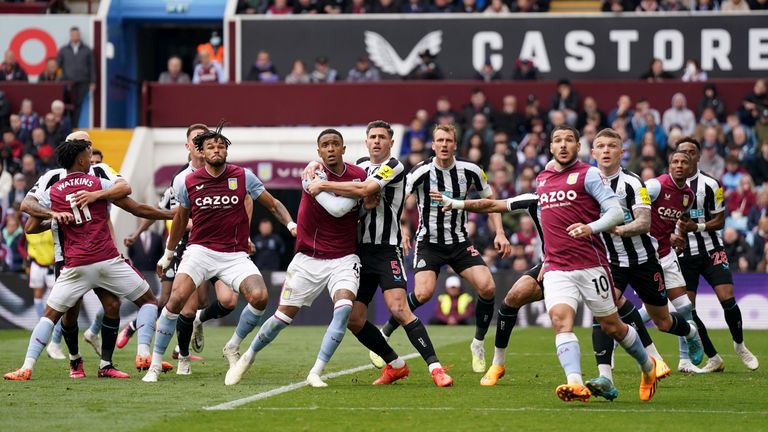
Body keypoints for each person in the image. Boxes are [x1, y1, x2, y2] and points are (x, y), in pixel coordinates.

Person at [303, 121, 452, 387]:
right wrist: (314, 166)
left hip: (386, 250)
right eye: (372, 137)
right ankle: (395, 365)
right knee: (354, 319)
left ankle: (436, 368)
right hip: (358, 250)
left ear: (391, 142)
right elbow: (338, 173)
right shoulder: (360, 165)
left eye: (382, 137)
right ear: (366, 141)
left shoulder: (394, 166)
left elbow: (364, 190)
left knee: (399, 308)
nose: (377, 141)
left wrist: (323, 186)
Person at [143, 124, 296, 383]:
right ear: (201, 152)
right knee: (176, 301)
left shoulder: (243, 176)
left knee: (259, 297)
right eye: (211, 146)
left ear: (227, 150)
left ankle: (233, 345)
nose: (217, 149)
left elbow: (272, 203)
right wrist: (168, 254)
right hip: (199, 251)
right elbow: (180, 219)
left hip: (234, 254)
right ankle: (155, 365)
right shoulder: (185, 180)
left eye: (221, 145)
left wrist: (290, 224)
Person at [3, 139, 160, 381]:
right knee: (149, 301)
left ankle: (26, 367)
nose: (93, 159)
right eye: (89, 155)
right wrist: (98, 194)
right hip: (106, 260)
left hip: (74, 264)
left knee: (49, 315)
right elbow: (127, 192)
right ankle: (142, 353)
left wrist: (53, 213)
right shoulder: (96, 180)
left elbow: (29, 216)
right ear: (80, 159)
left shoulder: (54, 189)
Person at [225, 129, 365, 388]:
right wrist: (353, 191)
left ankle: (315, 371)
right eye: (326, 145)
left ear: (344, 149)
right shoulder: (310, 174)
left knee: (344, 308)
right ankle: (249, 354)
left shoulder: (358, 175)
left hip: (344, 257)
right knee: (281, 318)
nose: (331, 148)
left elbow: (363, 192)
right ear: (319, 151)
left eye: (336, 144)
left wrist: (355, 188)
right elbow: (337, 209)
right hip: (308, 259)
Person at [533, 125, 657, 402]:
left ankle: (648, 367)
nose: (563, 145)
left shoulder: (588, 174)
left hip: (591, 264)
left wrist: (591, 227)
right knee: (560, 321)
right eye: (557, 141)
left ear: (578, 146)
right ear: (551, 147)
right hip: (556, 267)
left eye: (568, 140)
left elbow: (614, 212)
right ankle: (575, 383)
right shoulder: (542, 179)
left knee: (612, 325)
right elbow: (546, 225)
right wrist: (545, 257)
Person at [379, 124, 511, 375]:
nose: (444, 144)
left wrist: (500, 233)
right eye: (439, 140)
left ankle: (478, 343)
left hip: (460, 243)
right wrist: (404, 229)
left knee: (488, 287)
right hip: (429, 243)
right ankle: (386, 331)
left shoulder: (471, 171)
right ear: (433, 144)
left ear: (455, 145)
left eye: (448, 140)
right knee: (424, 293)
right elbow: (398, 202)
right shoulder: (420, 172)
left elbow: (491, 203)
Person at [587, 137, 702, 398]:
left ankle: (690, 331)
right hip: (611, 262)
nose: (606, 151)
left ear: (621, 152)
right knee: (604, 313)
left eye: (612, 146)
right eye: (601, 146)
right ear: (593, 152)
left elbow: (644, 223)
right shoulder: (587, 182)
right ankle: (606, 378)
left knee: (662, 321)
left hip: (643, 260)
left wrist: (616, 228)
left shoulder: (633, 183)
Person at [671, 138, 760, 373]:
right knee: (687, 310)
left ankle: (739, 345)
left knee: (728, 299)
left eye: (691, 153)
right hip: (683, 255)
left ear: (698, 157)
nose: (686, 157)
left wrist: (697, 228)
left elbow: (720, 220)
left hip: (711, 249)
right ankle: (713, 357)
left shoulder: (710, 184)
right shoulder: (665, 186)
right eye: (681, 153)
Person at [57, 27, 96, 127]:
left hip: (82, 81)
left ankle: (75, 126)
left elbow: (92, 66)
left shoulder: (87, 50)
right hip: (67, 82)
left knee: (78, 104)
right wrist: (59, 80)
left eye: (77, 34)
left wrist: (93, 81)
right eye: (73, 34)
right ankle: (65, 126)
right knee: (66, 104)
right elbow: (58, 66)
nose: (75, 36)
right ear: (70, 36)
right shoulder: (63, 50)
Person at [25, 228, 56, 318]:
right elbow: (20, 245)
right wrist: (26, 256)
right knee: (38, 293)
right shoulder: (29, 227)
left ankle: (56, 323)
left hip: (52, 265)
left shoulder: (51, 226)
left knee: (55, 295)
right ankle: (41, 320)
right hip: (36, 265)